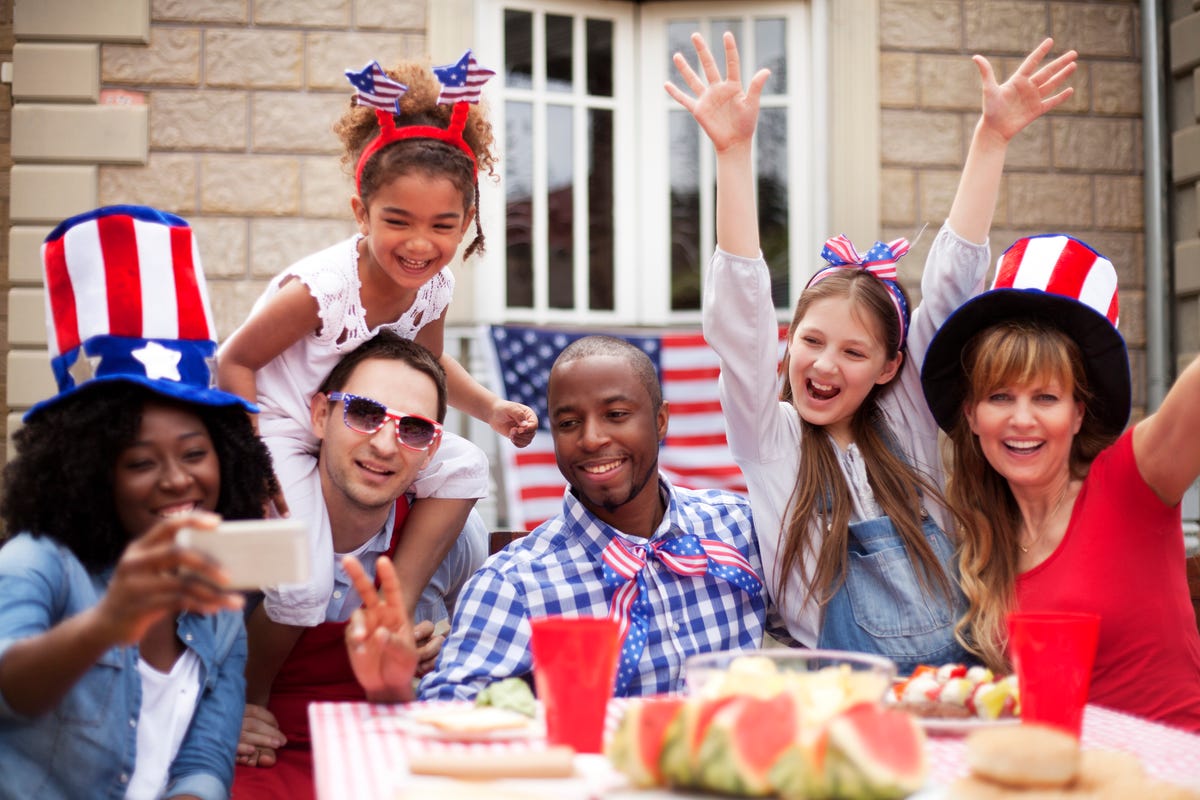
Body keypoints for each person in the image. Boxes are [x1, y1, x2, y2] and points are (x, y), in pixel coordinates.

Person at [668, 32, 1078, 673]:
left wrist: (991, 140)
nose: (825, 365)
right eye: (811, 341)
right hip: (841, 693)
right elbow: (742, 321)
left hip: (959, 678)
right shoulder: (766, 437)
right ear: (787, 346)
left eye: (855, 353)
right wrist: (733, 154)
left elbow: (949, 291)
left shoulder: (908, 418)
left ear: (891, 367)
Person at [216, 52, 536, 703]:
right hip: (281, 422)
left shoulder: (435, 283)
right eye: (399, 221)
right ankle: (251, 697)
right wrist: (248, 461)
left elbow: (430, 368)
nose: (421, 242)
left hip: (362, 418)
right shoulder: (322, 291)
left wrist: (491, 407)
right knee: (302, 585)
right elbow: (235, 360)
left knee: (468, 466)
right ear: (361, 212)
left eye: (444, 225)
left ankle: (396, 604)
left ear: (468, 223)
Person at [0, 206, 277, 800]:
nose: (178, 481)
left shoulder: (219, 592)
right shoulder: (36, 562)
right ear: (87, 469)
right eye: (140, 462)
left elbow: (204, 759)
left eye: (194, 453)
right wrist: (108, 623)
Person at [921, 234, 1200, 731]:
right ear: (972, 414)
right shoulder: (980, 538)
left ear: (1078, 413)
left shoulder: (1132, 479)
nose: (1021, 420)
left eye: (1046, 398)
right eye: (1000, 396)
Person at [419, 335, 774, 700]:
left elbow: (821, 634)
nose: (591, 439)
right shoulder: (515, 584)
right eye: (569, 423)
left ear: (661, 421)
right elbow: (448, 714)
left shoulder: (741, 530)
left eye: (616, 415)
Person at [232, 333, 486, 798]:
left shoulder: (453, 539)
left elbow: (466, 667)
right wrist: (214, 711)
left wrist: (434, 655)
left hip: (386, 762)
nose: (386, 445)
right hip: (256, 758)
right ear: (321, 416)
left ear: (432, 450)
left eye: (414, 428)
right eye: (365, 414)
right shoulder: (242, 526)